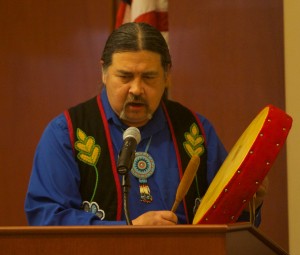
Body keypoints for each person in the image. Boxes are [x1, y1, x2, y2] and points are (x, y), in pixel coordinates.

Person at [24, 22, 266, 226]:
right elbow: (46, 217)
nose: (137, 89)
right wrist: (128, 230)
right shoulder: (67, 132)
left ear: (167, 75)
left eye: (149, 77)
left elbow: (226, 220)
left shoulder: (197, 131)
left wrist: (249, 202)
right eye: (125, 76)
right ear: (104, 73)